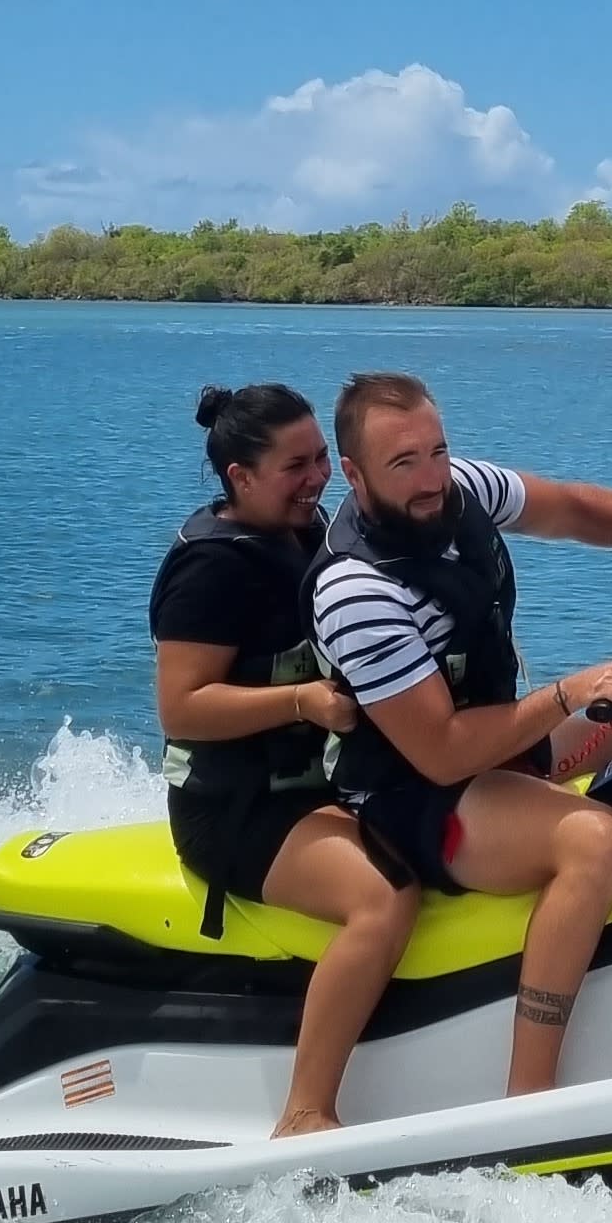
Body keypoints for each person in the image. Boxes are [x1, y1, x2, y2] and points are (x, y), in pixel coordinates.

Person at [310, 371, 612, 1097]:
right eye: (404, 463)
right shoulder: (356, 591)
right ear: (353, 472)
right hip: (410, 795)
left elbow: (570, 509)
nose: (432, 477)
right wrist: (568, 692)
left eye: (437, 450)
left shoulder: (455, 489)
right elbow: (440, 754)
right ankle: (529, 1098)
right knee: (591, 840)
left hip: (495, 747)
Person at [150, 382, 419, 1138]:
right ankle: (305, 1111)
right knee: (383, 898)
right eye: (295, 466)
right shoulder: (210, 569)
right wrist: (301, 702)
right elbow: (181, 706)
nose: (318, 478)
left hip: (320, 784)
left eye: (323, 458)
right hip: (237, 812)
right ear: (240, 477)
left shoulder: (308, 534)